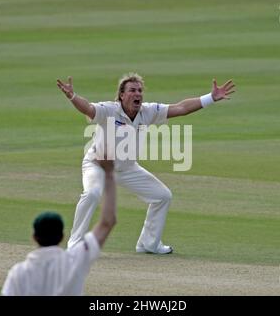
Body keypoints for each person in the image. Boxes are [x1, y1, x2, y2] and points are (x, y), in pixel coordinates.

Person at [57, 73, 235, 254]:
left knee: (162, 196)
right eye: (132, 90)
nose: (138, 94)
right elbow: (87, 108)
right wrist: (72, 96)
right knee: (93, 193)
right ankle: (75, 243)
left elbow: (180, 108)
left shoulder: (149, 111)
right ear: (121, 95)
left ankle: (148, 244)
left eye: (140, 90)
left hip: (127, 168)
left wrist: (210, 98)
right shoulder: (109, 110)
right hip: (97, 165)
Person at [1, 159, 116, 296]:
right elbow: (107, 222)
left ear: (34, 237)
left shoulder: (18, 273)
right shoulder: (75, 260)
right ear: (62, 236)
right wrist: (108, 175)